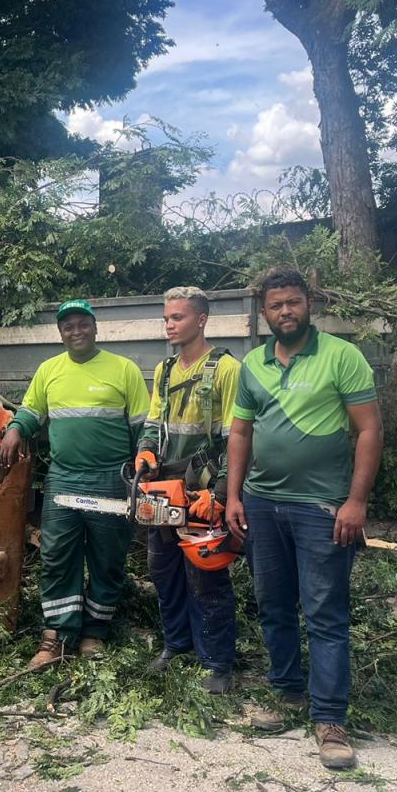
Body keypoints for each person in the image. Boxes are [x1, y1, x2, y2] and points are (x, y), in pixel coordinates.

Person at [225, 268, 383, 769]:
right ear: (264, 312)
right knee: (273, 605)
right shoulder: (252, 364)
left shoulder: (343, 356)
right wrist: (233, 497)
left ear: (308, 303)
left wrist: (356, 502)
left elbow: (369, 432)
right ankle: (289, 694)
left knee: (325, 612)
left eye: (293, 302)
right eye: (275, 306)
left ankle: (331, 719)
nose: (285, 312)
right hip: (262, 506)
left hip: (322, 508)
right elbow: (241, 436)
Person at [0, 299, 150, 667]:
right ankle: (56, 636)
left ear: (95, 327)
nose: (75, 331)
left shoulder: (123, 370)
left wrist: (143, 469)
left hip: (111, 479)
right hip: (64, 479)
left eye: (82, 324)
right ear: (60, 332)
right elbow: (31, 412)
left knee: (107, 557)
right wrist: (15, 429)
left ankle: (95, 631)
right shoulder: (50, 370)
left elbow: (144, 427)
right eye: (68, 326)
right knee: (57, 556)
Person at [134, 286, 241, 693]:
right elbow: (152, 422)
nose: (169, 325)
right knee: (163, 571)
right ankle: (176, 644)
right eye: (166, 318)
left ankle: (217, 663)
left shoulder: (226, 370)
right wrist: (145, 452)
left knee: (207, 577)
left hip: (202, 491)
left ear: (201, 319)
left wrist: (222, 492)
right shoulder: (164, 372)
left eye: (177, 317)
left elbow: (237, 436)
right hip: (164, 487)